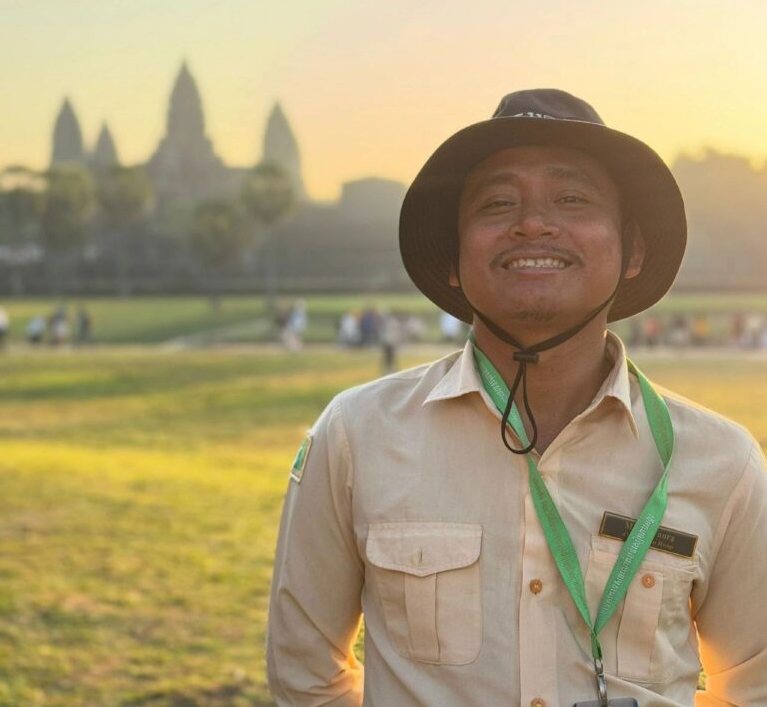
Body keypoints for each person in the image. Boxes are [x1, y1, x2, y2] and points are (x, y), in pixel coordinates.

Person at [267, 89, 767, 706]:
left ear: (633, 250)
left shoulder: (721, 463)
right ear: (453, 258)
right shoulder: (356, 434)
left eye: (572, 199)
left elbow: (753, 687)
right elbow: (306, 678)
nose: (532, 223)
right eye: (498, 202)